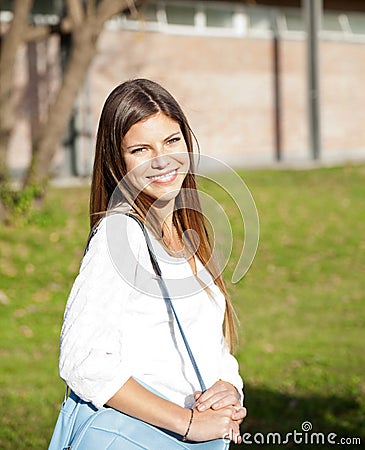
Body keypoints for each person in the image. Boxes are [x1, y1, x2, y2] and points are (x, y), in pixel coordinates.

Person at [59, 78, 246, 445]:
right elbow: (82, 359)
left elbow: (206, 338)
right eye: (141, 149)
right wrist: (188, 424)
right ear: (117, 161)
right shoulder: (122, 236)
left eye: (172, 141)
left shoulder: (185, 229)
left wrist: (228, 386)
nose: (162, 161)